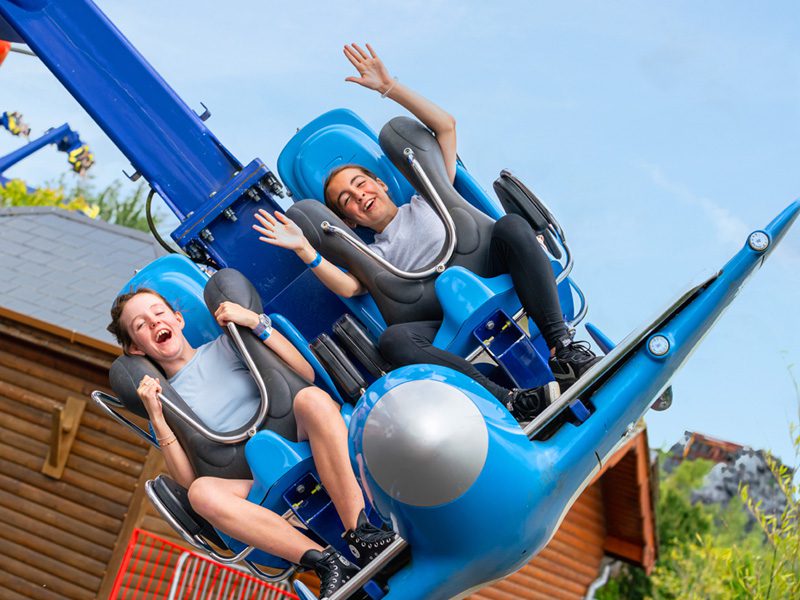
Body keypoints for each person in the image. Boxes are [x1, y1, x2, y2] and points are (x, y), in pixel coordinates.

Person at [254, 43, 600, 421]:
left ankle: (563, 348)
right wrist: (306, 249)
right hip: (434, 310)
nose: (359, 196)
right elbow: (350, 287)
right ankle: (513, 402)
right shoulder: (374, 255)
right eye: (346, 199)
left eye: (361, 184)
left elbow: (446, 126)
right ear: (349, 221)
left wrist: (390, 87)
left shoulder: (429, 195)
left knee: (513, 227)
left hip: (483, 271)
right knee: (392, 340)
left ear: (382, 184)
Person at [107, 288, 395, 599]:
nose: (153, 322)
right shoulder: (163, 401)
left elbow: (304, 373)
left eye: (158, 312)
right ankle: (328, 564)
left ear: (177, 319)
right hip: (248, 477)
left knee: (312, 399)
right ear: (136, 349)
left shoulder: (227, 344)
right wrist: (157, 417)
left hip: (293, 439)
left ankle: (361, 533)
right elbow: (189, 481)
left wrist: (256, 323)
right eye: (140, 325)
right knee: (202, 494)